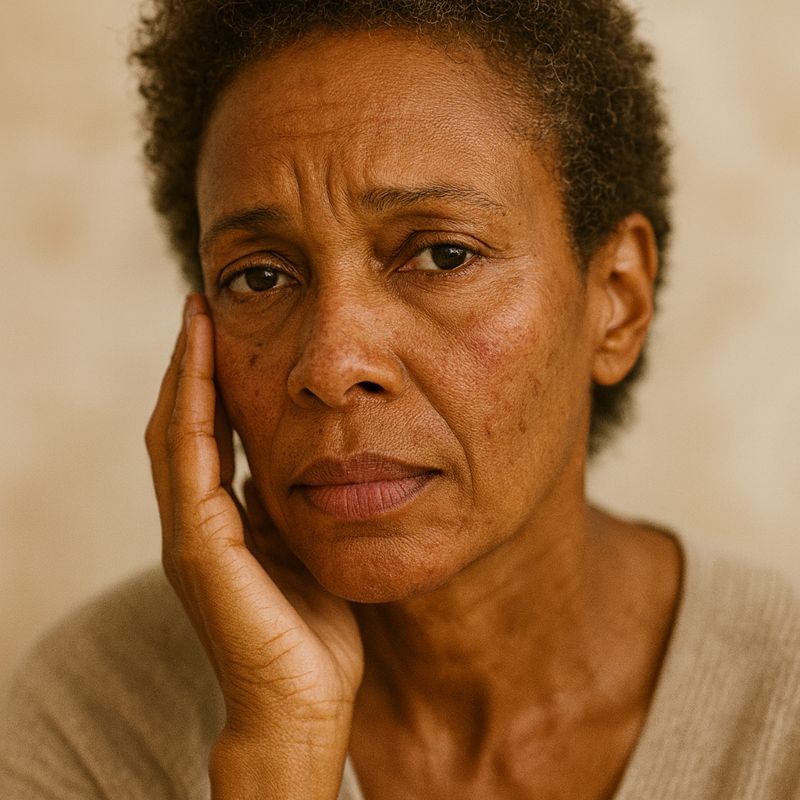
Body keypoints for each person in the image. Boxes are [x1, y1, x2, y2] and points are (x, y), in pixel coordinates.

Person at [1, 1, 798, 798]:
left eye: (443, 255)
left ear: (616, 299)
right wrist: (281, 744)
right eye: (260, 276)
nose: (332, 364)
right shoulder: (96, 719)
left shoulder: (780, 714)